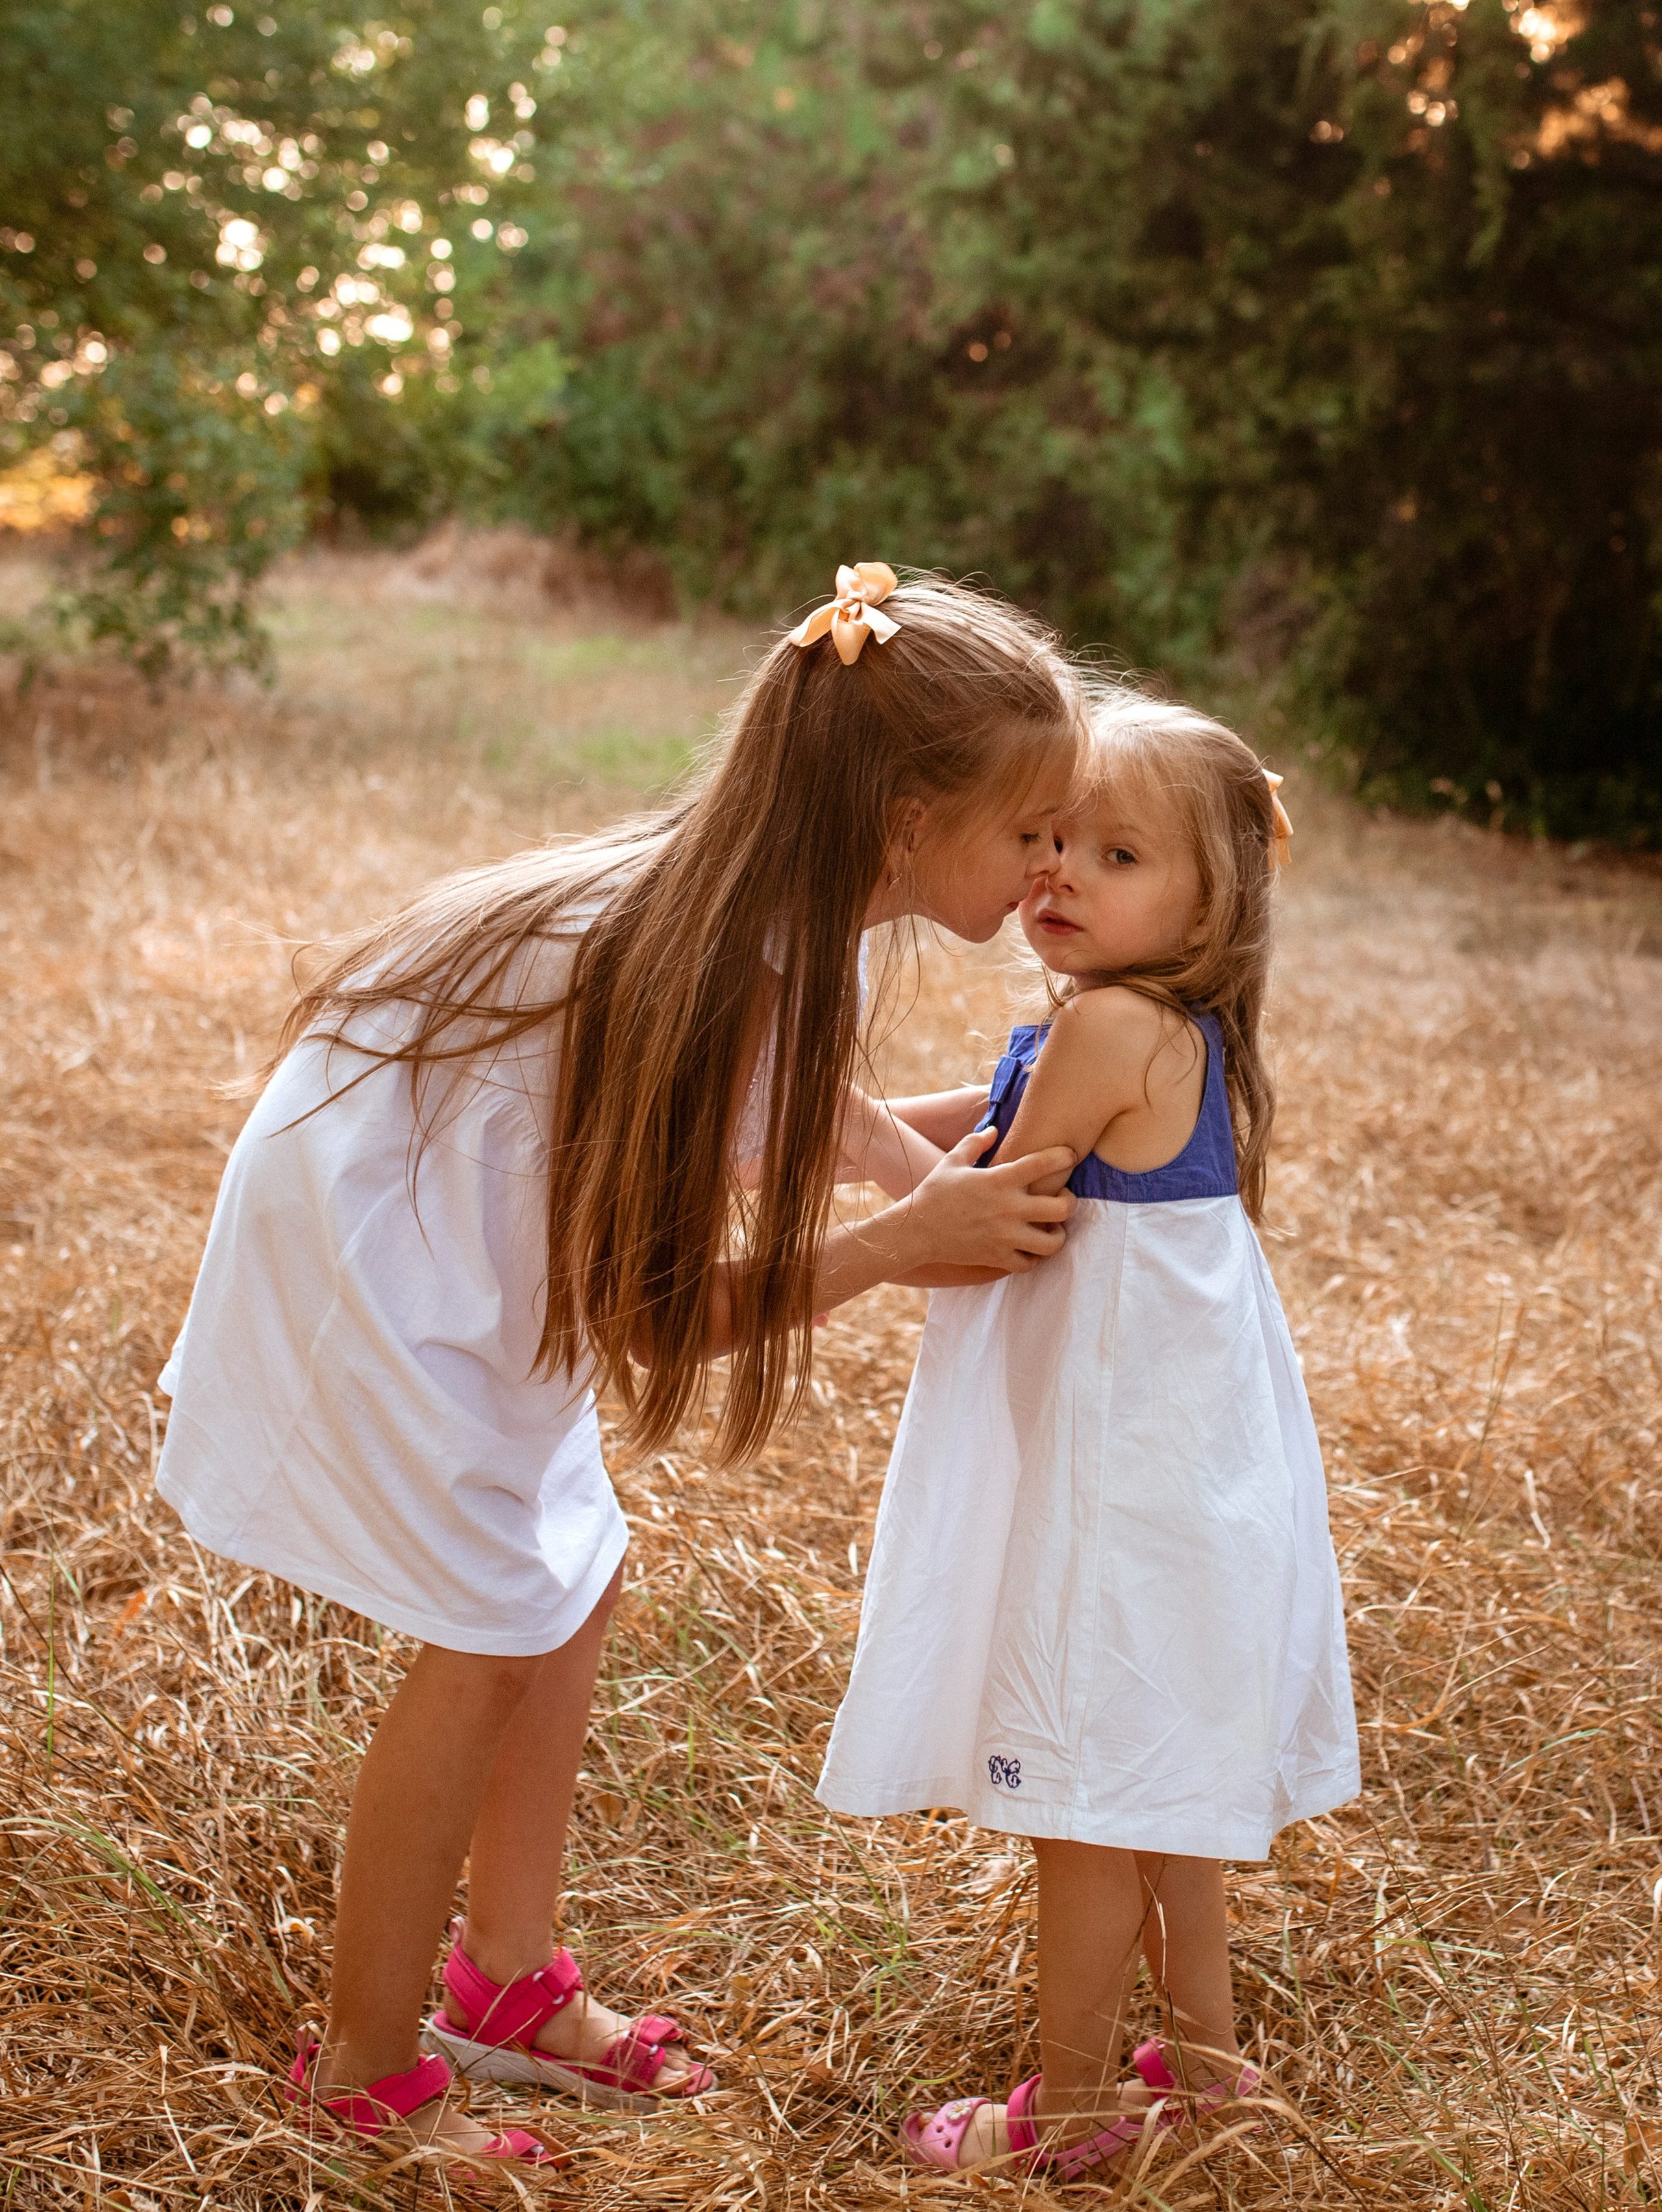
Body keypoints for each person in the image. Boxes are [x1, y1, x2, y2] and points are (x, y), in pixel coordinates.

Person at [153, 565, 1084, 2174]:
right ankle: (366, 2070)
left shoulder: (795, 918)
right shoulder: (706, 956)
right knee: (489, 1623)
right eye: (1031, 829)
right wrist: (893, 1247)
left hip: (472, 1230)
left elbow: (815, 1116)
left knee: (568, 1576)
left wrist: (970, 1141)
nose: (1053, 860)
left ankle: (504, 1984)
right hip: (378, 1262)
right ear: (905, 823)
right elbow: (657, 1316)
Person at [816, 687, 1361, 2181]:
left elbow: (991, 1195)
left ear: (1208, 900)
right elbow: (980, 1136)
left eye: (1112, 855)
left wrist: (855, 1144)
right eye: (1049, 836)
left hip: (1116, 1488)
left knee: (1085, 1806)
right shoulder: (1158, 1028)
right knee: (1160, 1776)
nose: (1055, 870)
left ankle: (1063, 2115)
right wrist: (851, 1117)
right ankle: (1205, 2056)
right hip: (1181, 1479)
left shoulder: (1111, 1025)